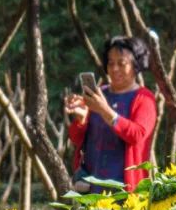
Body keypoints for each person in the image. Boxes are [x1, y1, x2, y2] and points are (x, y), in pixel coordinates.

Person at [66, 36, 157, 192]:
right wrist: (80, 119)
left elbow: (138, 135)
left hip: (125, 191)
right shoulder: (100, 94)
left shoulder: (144, 98)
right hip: (91, 188)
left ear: (136, 66)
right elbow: (77, 139)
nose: (115, 69)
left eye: (121, 64)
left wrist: (105, 111)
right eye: (111, 63)